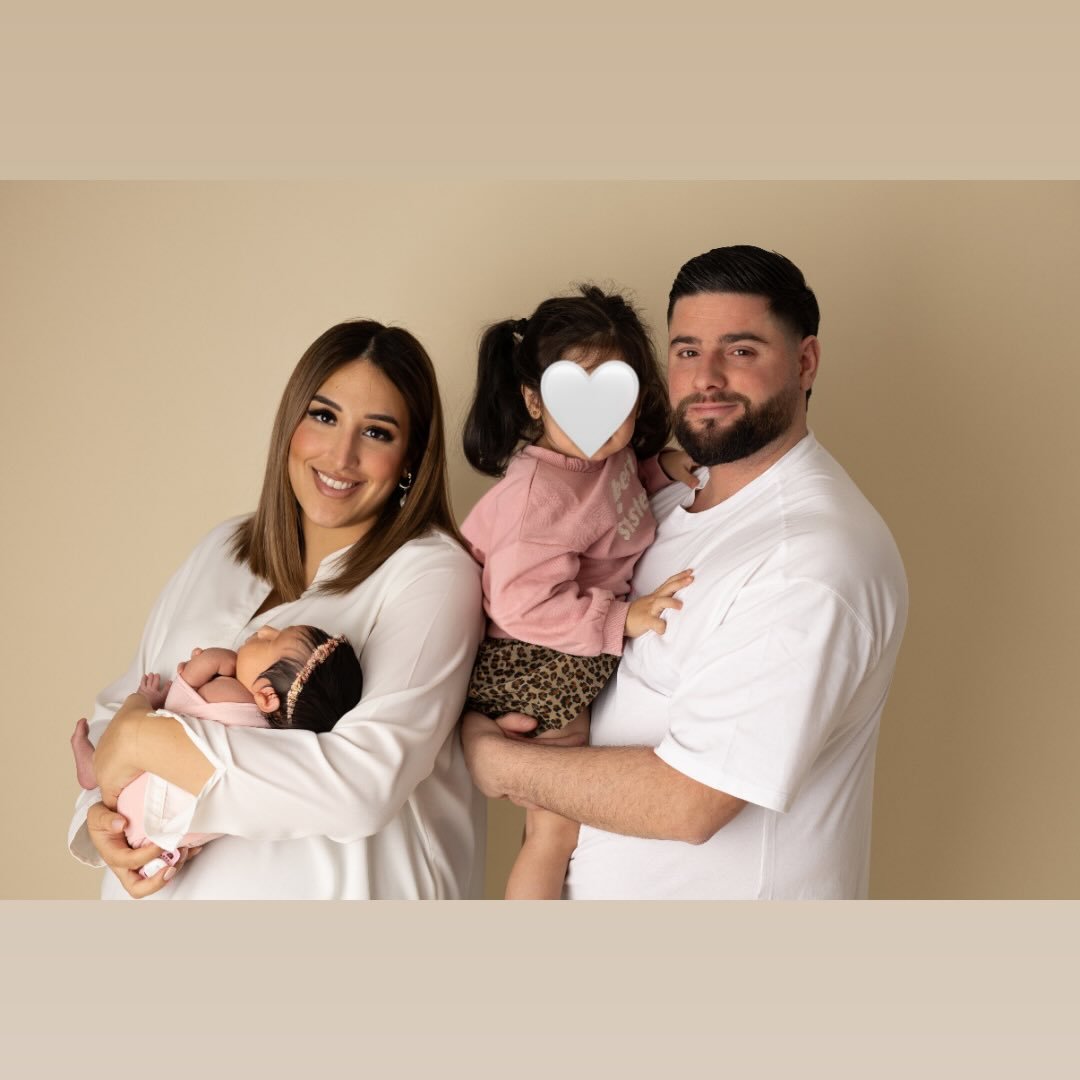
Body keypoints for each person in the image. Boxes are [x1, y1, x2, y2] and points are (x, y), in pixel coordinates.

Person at [461, 245, 909, 900]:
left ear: (805, 361)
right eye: (687, 351)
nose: (707, 378)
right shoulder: (666, 499)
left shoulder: (809, 561)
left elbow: (689, 803)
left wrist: (494, 760)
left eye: (741, 350)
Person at [68, 319, 486, 900]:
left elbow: (359, 786)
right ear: (290, 422)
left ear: (410, 456)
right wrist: (103, 816)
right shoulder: (222, 548)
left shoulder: (432, 575)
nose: (341, 455)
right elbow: (119, 710)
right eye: (324, 416)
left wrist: (146, 742)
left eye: (377, 432)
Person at [460, 284, 697, 899]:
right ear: (534, 401)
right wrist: (621, 619)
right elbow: (522, 604)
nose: (600, 423)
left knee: (556, 826)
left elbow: (611, 493)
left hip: (562, 644)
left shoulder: (605, 455)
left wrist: (656, 469)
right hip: (534, 658)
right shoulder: (538, 498)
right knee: (554, 829)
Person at [70, 624, 363, 877]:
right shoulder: (269, 738)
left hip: (134, 798)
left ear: (265, 695)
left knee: (134, 720)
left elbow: (181, 695)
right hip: (157, 840)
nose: (264, 630)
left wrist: (214, 660)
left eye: (270, 642)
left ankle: (92, 767)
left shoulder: (229, 690)